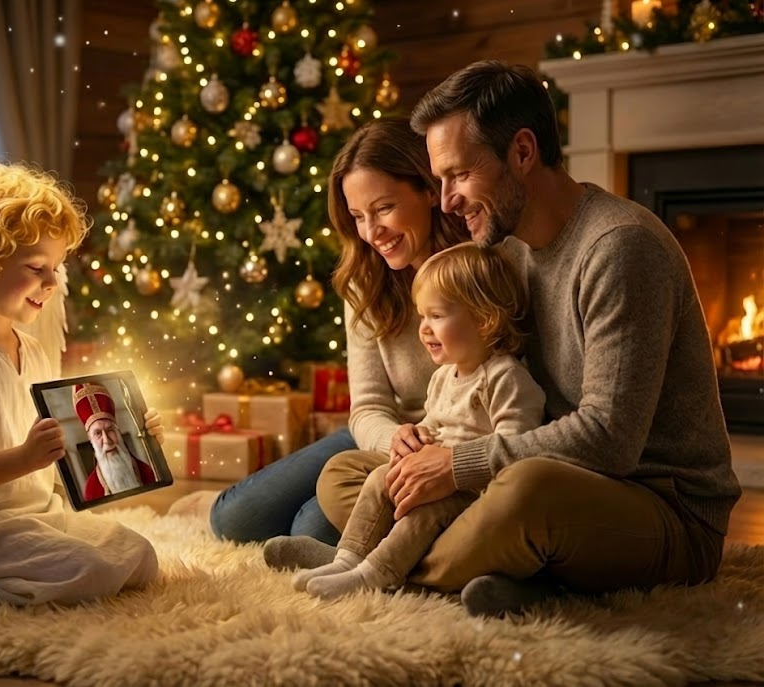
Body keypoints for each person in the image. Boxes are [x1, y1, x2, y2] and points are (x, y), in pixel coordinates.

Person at [306, 60, 741, 616]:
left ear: (523, 151)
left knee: (526, 492)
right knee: (348, 475)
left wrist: (457, 465)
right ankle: (514, 576)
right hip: (542, 473)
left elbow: (610, 440)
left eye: (459, 175)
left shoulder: (619, 248)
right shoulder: (506, 251)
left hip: (659, 505)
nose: (445, 202)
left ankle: (387, 570)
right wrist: (428, 449)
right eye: (439, 181)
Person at [0, 161, 163, 605]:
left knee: (140, 556)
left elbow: (63, 452)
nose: (52, 282)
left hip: (39, 515)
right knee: (94, 570)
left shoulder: (35, 351)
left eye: (56, 268)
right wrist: (25, 457)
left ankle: (17, 575)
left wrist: (133, 437)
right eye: (36, 266)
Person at [208, 118, 468, 553]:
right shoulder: (365, 280)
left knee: (309, 530)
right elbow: (367, 406)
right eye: (357, 216)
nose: (371, 233)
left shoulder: (477, 271)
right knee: (233, 518)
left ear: (427, 189)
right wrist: (391, 439)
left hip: (448, 439)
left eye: (384, 208)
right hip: (387, 433)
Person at [294, 243, 545, 599]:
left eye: (437, 316)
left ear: (484, 319)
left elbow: (516, 446)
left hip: (474, 492)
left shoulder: (506, 378)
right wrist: (415, 435)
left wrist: (453, 466)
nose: (424, 329)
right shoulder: (444, 376)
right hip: (434, 478)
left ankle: (378, 573)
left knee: (425, 511)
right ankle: (348, 558)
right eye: (421, 316)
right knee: (381, 477)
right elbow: (434, 423)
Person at [73, 382, 156, 499]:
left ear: (118, 432)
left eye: (110, 430)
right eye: (98, 433)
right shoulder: (91, 490)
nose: (107, 440)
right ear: (90, 440)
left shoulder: (147, 472)